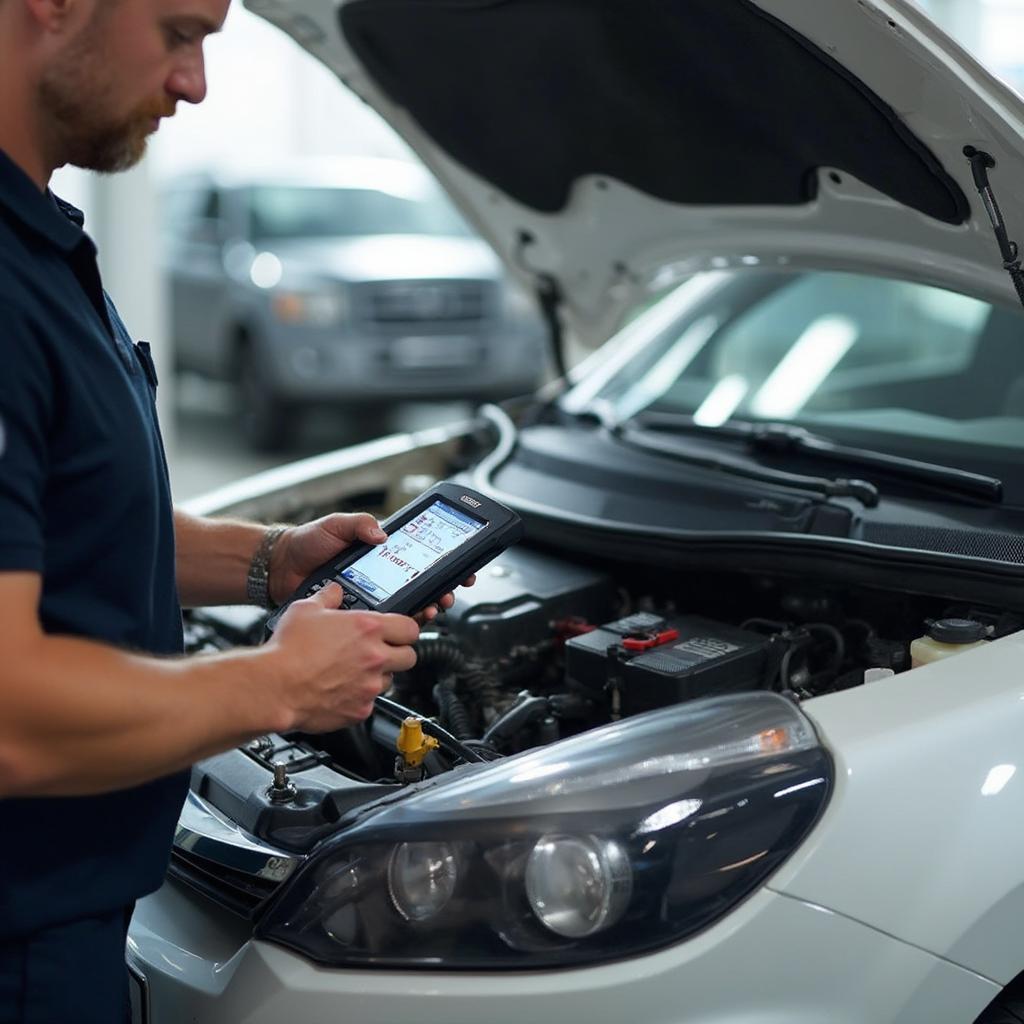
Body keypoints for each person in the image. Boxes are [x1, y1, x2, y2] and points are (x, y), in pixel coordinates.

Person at [0, 0, 463, 1019]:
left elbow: (66, 521)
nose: (195, 82)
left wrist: (271, 560)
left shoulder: (40, 245)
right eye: (178, 30)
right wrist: (277, 686)